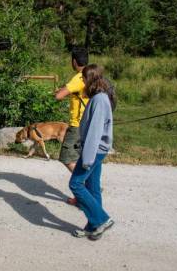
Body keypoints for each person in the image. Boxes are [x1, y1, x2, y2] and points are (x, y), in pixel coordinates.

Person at [69, 64, 114, 240]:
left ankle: (102, 219)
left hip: (93, 151)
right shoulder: (99, 97)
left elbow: (95, 131)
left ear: (89, 79)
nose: (82, 82)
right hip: (95, 150)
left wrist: (87, 158)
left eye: (83, 78)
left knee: (76, 184)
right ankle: (93, 226)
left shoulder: (99, 100)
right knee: (92, 186)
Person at [54, 47, 89, 205]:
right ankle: (86, 189)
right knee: (81, 158)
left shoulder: (78, 77)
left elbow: (58, 96)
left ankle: (84, 190)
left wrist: (61, 91)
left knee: (66, 157)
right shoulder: (91, 75)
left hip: (77, 124)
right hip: (88, 122)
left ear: (74, 62)